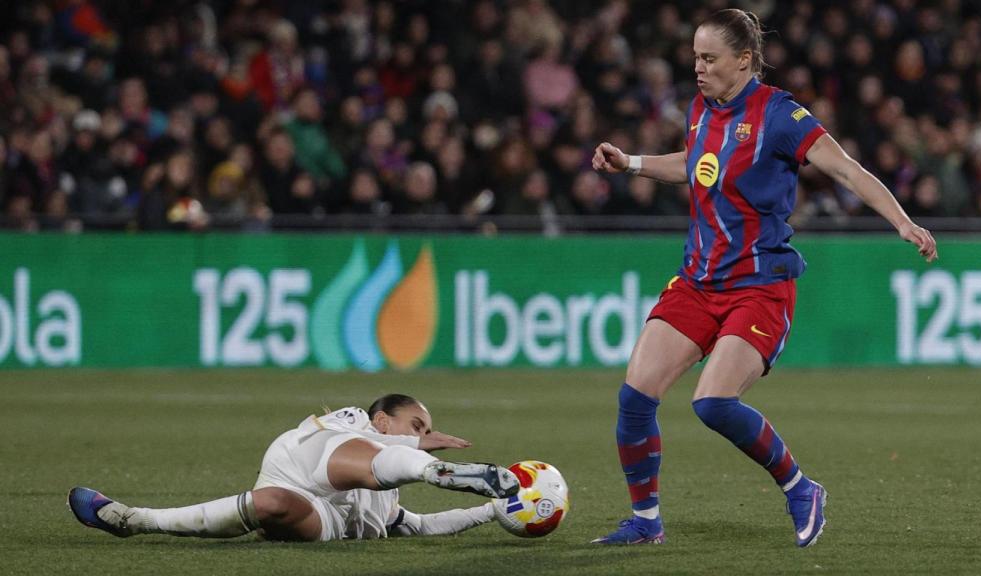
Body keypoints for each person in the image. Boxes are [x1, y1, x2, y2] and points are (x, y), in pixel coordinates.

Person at [590, 9, 937, 547]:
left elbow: (844, 167)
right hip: (698, 282)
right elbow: (694, 163)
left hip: (759, 286)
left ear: (744, 60)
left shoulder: (778, 113)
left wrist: (903, 221)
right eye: (695, 58)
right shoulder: (701, 108)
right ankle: (645, 521)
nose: (698, 69)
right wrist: (631, 163)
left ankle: (800, 488)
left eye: (709, 58)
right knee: (635, 397)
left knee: (712, 404)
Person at [68, 394, 519, 541]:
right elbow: (340, 447)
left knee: (275, 506)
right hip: (300, 466)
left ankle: (136, 521)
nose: (425, 433)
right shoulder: (355, 419)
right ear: (384, 419)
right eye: (416, 425)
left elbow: (419, 526)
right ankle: (133, 518)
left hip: (321, 512)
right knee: (357, 456)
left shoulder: (386, 499)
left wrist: (496, 510)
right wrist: (412, 447)